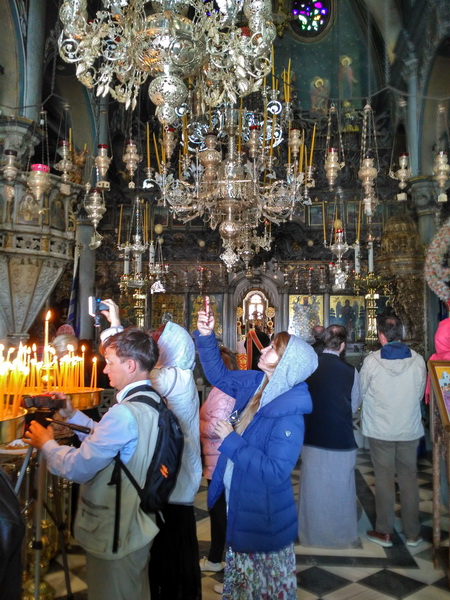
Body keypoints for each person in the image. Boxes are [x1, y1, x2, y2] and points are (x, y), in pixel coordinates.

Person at [23, 327, 161, 600]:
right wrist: (72, 413)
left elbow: (79, 467)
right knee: (134, 589)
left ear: (130, 365)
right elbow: (109, 439)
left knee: (113, 592)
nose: (105, 370)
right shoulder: (151, 400)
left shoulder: (124, 413)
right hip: (138, 521)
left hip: (116, 528)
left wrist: (47, 444)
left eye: (110, 362)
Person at [195, 304, 318, 599]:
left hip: (262, 513)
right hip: (241, 497)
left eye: (273, 349)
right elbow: (219, 376)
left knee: (261, 588)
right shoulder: (255, 384)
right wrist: (206, 336)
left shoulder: (289, 415)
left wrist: (231, 440)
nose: (263, 349)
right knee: (244, 585)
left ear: (287, 364)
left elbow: (276, 471)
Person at [99, 299, 202, 600]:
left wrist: (115, 328)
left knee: (170, 555)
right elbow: (131, 363)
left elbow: (132, 367)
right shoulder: (175, 376)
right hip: (170, 478)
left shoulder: (174, 378)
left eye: (158, 341)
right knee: (167, 553)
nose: (154, 345)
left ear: (172, 349)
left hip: (171, 481)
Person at [360, 315, 426, 548]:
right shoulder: (418, 360)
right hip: (408, 428)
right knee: (409, 479)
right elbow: (420, 394)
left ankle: (384, 531)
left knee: (384, 479)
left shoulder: (372, 361)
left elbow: (362, 391)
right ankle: (413, 533)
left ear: (381, 336)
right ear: (402, 334)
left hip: (380, 430)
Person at [298, 325, 361, 548]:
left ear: (323, 341)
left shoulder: (308, 367)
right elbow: (354, 404)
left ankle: (311, 535)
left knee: (313, 488)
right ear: (342, 346)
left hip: (312, 435)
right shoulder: (351, 371)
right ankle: (341, 535)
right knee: (341, 489)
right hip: (340, 436)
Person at [199, 347, 238, 573]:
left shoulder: (224, 393)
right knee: (218, 509)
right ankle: (217, 557)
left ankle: (216, 558)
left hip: (219, 459)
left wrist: (196, 423)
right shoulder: (222, 388)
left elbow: (217, 428)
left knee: (219, 510)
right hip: (215, 457)